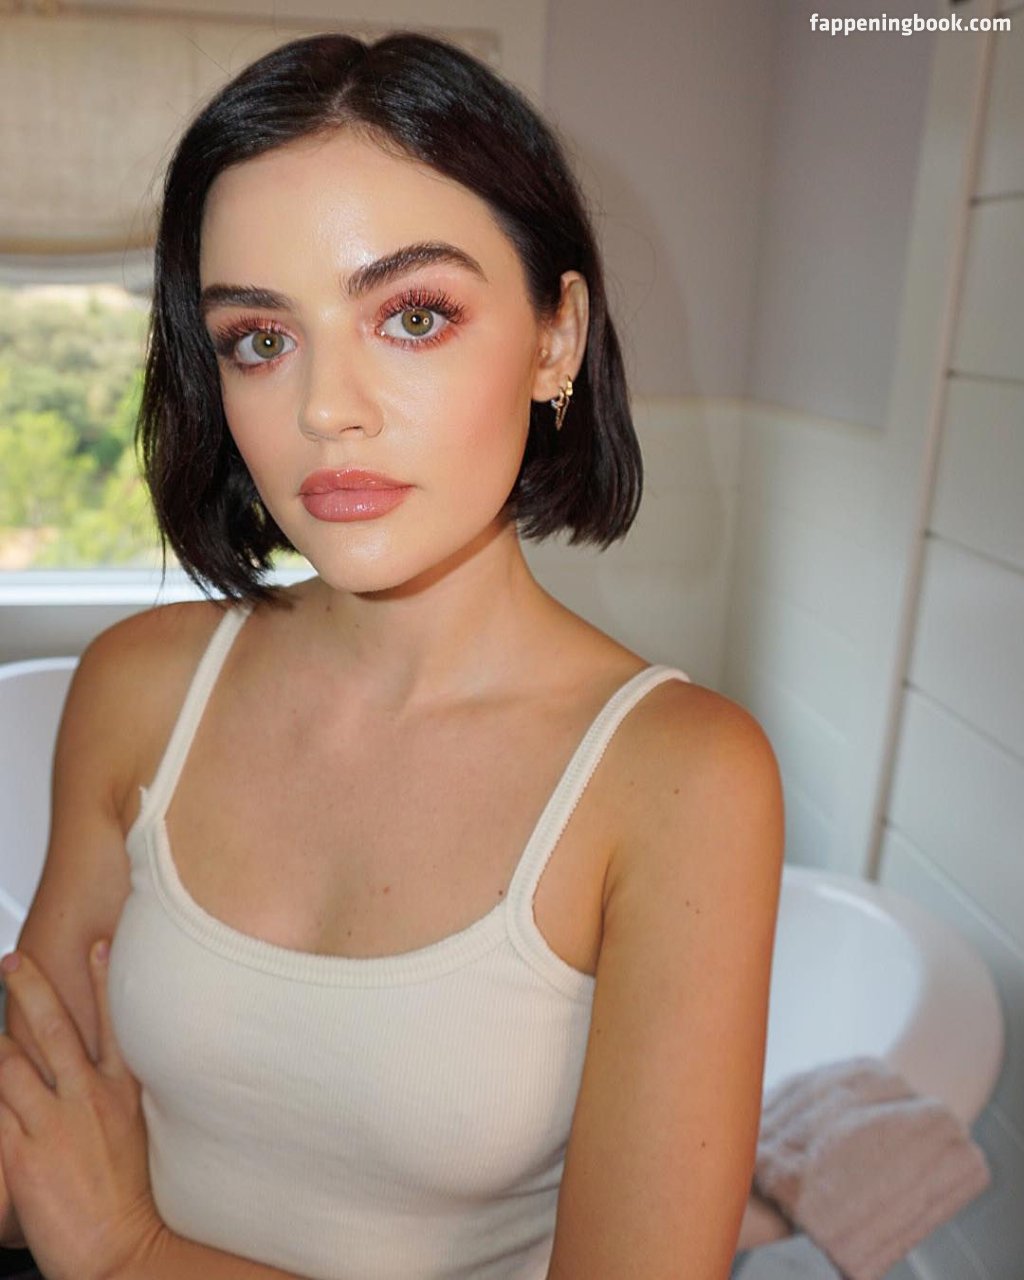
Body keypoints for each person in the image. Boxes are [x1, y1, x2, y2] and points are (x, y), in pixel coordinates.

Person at [0, 30, 784, 1280]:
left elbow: (85, 1218)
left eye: (413, 316)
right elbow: (32, 1139)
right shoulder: (139, 686)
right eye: (260, 337)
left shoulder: (682, 778)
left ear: (556, 337)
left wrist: (128, 1250)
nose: (325, 408)